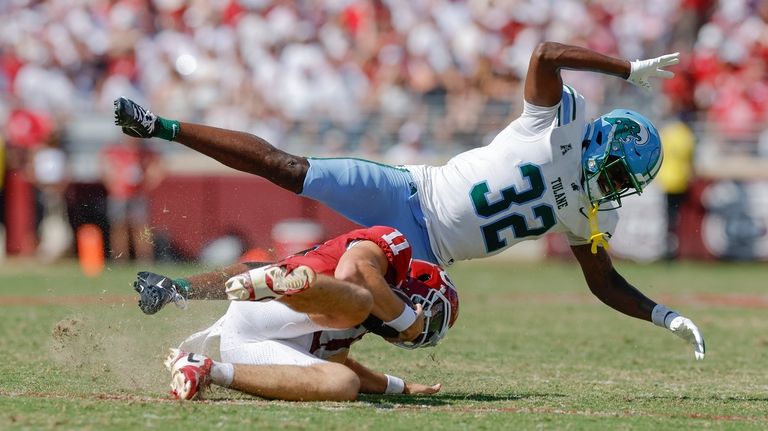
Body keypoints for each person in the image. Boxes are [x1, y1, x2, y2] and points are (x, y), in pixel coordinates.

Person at [115, 41, 704, 360]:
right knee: (287, 168)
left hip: (425, 253)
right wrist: (625, 67)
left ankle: (178, 292)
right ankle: (161, 126)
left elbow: (602, 282)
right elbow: (546, 54)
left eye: (627, 180)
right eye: (619, 170)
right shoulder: (557, 122)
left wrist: (665, 314)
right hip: (409, 189)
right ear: (601, 142)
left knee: (320, 287)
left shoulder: (592, 211)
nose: (615, 185)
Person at [133, 226, 459, 401]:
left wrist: (399, 387)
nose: (423, 332)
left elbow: (341, 364)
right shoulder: (393, 247)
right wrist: (408, 322)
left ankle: (204, 368)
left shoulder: (355, 327)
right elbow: (352, 270)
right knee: (357, 301)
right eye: (431, 318)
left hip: (245, 343)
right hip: (269, 308)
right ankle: (288, 287)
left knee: (341, 383)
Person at [100, 136, 164, 263]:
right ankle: (120, 258)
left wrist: (149, 182)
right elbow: (104, 167)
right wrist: (113, 182)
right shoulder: (115, 150)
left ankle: (144, 258)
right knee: (119, 227)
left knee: (140, 227)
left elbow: (158, 167)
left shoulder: (145, 151)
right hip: (119, 194)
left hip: (138, 194)